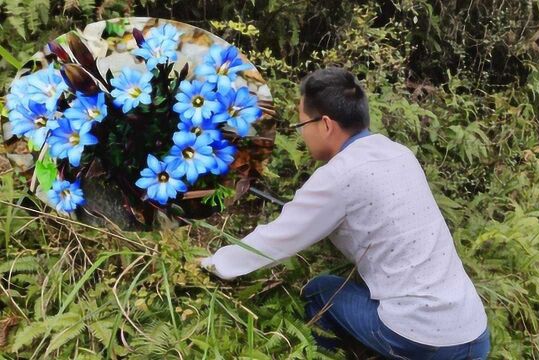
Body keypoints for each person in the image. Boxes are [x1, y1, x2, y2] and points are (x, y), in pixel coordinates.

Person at [200, 67, 490, 359]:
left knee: (318, 290)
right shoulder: (399, 152)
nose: (302, 136)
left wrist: (213, 265)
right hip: (474, 331)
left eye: (302, 125)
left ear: (325, 125)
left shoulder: (340, 175)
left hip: (421, 337)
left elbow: (275, 240)